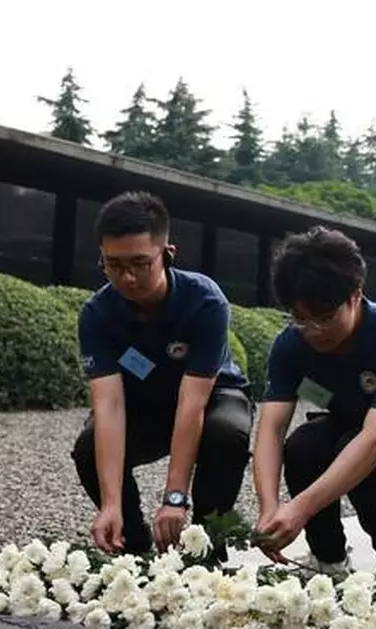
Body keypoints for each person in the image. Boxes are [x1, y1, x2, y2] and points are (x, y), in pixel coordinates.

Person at [72, 191, 254, 558]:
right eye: (113, 264)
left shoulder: (205, 302)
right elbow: (108, 407)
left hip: (212, 396)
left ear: (167, 255)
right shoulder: (97, 314)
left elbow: (192, 404)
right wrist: (110, 505)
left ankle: (204, 548)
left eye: (140, 263)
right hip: (144, 403)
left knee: (226, 433)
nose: (127, 277)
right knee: (89, 448)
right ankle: (134, 547)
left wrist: (175, 498)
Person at [252, 226, 376, 576]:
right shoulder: (290, 345)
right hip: (348, 422)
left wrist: (300, 508)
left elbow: (375, 438)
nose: (313, 331)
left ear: (355, 295)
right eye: (300, 318)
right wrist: (269, 508)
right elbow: (271, 429)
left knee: (362, 451)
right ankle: (329, 560)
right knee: (302, 446)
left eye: (324, 317)